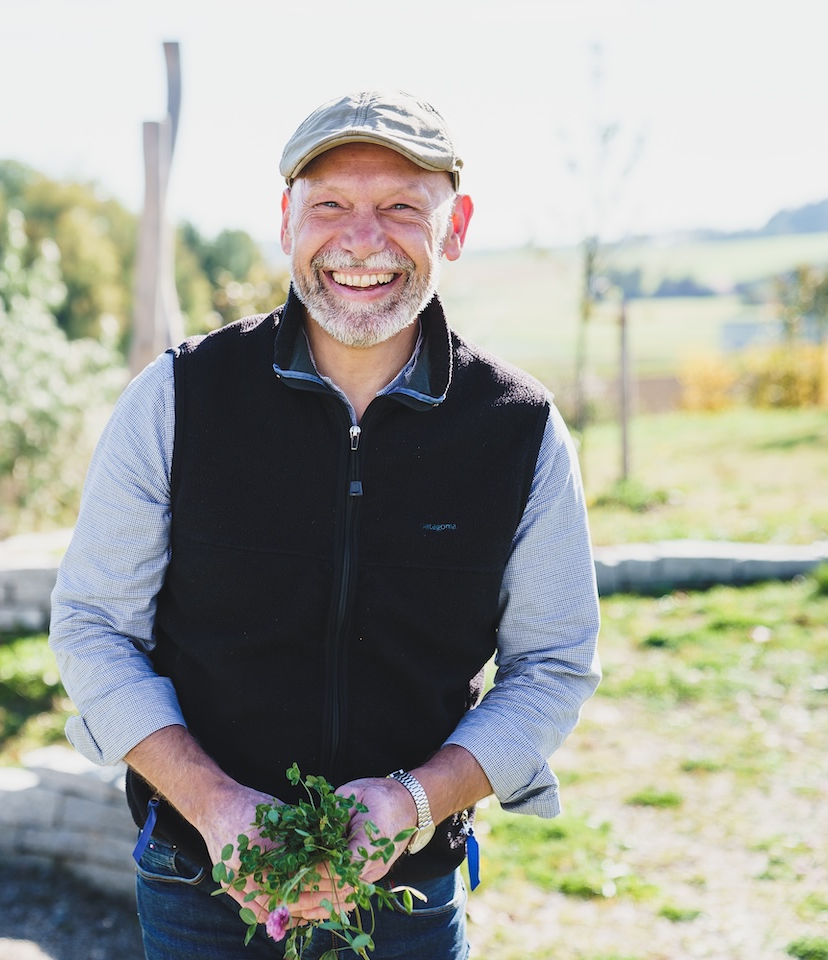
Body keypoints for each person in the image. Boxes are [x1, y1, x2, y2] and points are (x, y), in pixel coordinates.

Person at [48, 90, 601, 960]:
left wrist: (411, 804)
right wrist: (217, 806)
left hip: (411, 897)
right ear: (286, 221)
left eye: (400, 209)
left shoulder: (519, 429)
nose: (361, 240)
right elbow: (92, 627)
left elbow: (553, 667)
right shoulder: (177, 399)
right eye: (331, 205)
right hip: (199, 886)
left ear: (453, 229)